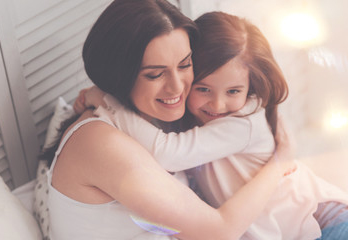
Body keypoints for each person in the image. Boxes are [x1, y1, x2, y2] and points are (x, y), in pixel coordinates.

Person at [76, 11, 348, 239]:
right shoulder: (187, 119)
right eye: (203, 88)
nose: (217, 106)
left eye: (233, 91)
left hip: (321, 219)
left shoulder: (242, 123)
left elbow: (167, 153)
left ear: (250, 87)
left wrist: (105, 99)